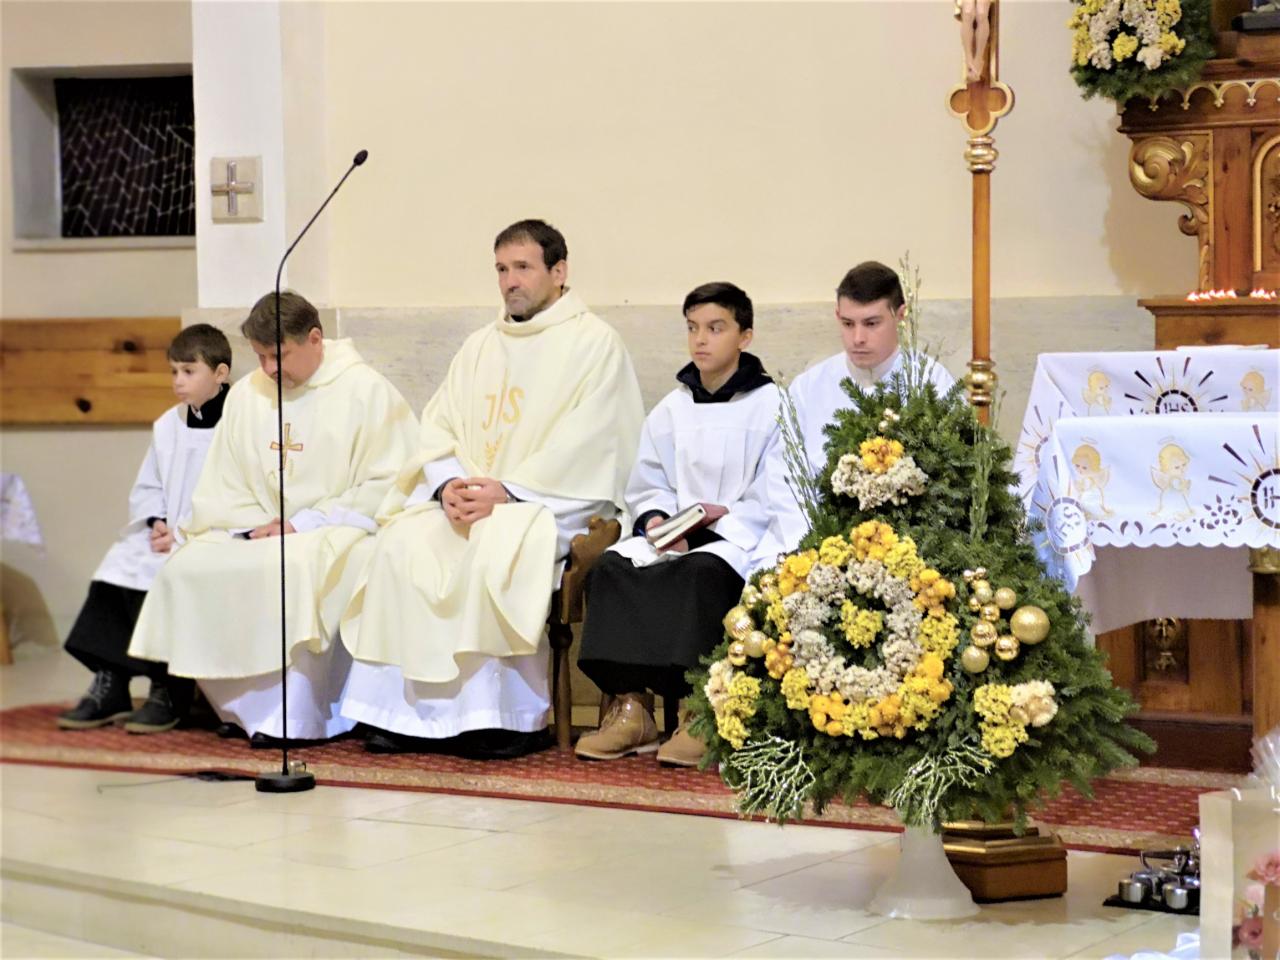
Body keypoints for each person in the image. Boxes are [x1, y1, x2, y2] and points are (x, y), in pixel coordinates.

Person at [339, 219, 645, 759]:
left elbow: (594, 442)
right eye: (502, 269)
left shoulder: (595, 344)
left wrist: (508, 491)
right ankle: (405, 718)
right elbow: (439, 427)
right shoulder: (481, 346)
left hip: (550, 502)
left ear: (559, 271)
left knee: (494, 548)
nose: (510, 282)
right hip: (472, 499)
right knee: (400, 543)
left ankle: (500, 720)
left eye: (522, 267)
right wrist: (447, 485)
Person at [127, 291, 417, 743]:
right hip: (260, 526)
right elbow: (223, 482)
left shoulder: (366, 391)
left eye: (278, 355)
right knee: (190, 564)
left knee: (295, 566)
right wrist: (249, 527)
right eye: (260, 356)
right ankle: (240, 710)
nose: (268, 369)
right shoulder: (248, 394)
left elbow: (390, 482)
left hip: (335, 527)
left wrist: (303, 523)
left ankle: (299, 717)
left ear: (315, 339)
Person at [575, 282, 780, 766]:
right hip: (673, 535)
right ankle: (632, 710)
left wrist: (709, 527)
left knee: (701, 573)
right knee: (611, 569)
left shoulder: (772, 406)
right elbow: (648, 481)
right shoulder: (672, 408)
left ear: (745, 336)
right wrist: (657, 519)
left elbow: (773, 492)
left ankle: (699, 711)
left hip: (736, 540)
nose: (700, 340)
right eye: (692, 328)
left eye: (715, 328)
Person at [59, 324, 232, 733]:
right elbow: (149, 485)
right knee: (121, 561)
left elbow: (237, 493)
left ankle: (168, 687)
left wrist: (186, 531)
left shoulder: (239, 425)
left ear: (220, 373)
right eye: (174, 371)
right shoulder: (168, 425)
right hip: (171, 532)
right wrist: (157, 521)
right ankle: (111, 681)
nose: (177, 381)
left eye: (188, 371)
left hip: (215, 535)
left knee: (167, 571)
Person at [757, 261, 956, 563]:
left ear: (901, 315)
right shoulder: (808, 387)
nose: (858, 338)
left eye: (872, 323)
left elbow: (950, 478)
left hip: (907, 549)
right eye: (848, 324)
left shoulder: (932, 382)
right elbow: (783, 474)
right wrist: (814, 543)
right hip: (815, 541)